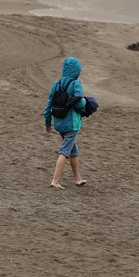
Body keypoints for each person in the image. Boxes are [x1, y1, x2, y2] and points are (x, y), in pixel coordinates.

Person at [43, 56, 88, 189]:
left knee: (73, 150)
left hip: (59, 123)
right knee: (65, 151)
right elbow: (79, 102)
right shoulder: (76, 84)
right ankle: (55, 181)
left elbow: (48, 105)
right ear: (75, 71)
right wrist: (85, 102)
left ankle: (78, 179)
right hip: (71, 124)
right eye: (79, 70)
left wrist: (47, 123)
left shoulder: (57, 84)